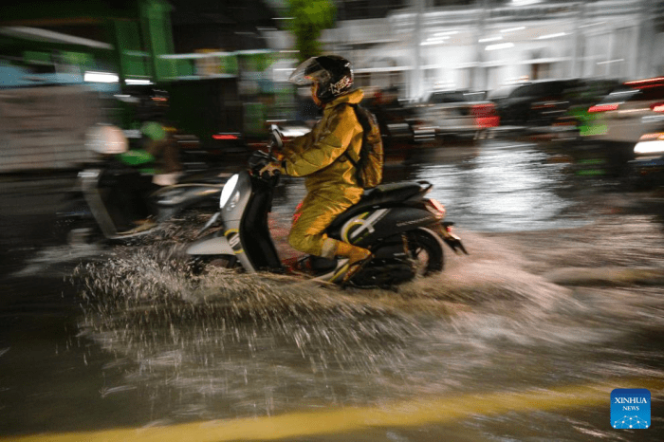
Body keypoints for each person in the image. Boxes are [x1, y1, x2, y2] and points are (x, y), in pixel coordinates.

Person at [261, 55, 376, 280]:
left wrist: (284, 167)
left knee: (299, 238)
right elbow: (311, 141)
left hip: (338, 190)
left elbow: (324, 153)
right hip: (326, 187)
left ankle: (356, 255)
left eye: (315, 84)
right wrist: (282, 151)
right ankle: (321, 262)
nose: (313, 90)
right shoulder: (334, 112)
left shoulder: (345, 116)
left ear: (329, 85)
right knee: (299, 219)